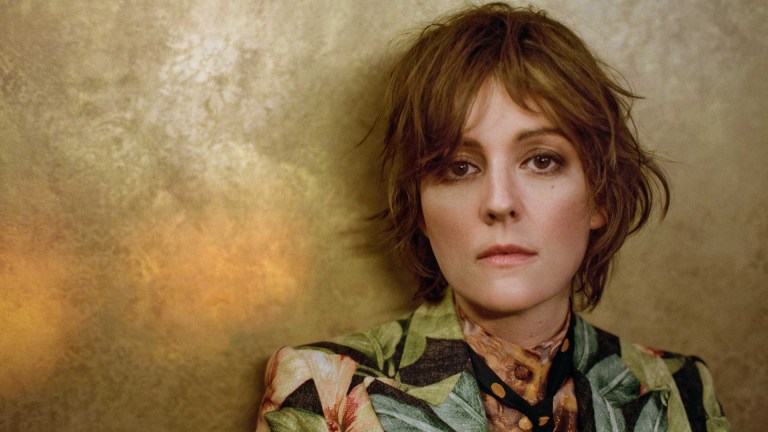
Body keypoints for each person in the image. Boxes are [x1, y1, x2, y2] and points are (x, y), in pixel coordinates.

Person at [255, 3, 729, 431]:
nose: (500, 202)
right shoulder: (322, 389)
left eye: (542, 160)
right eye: (459, 167)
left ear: (600, 195)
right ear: (420, 209)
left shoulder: (680, 388)